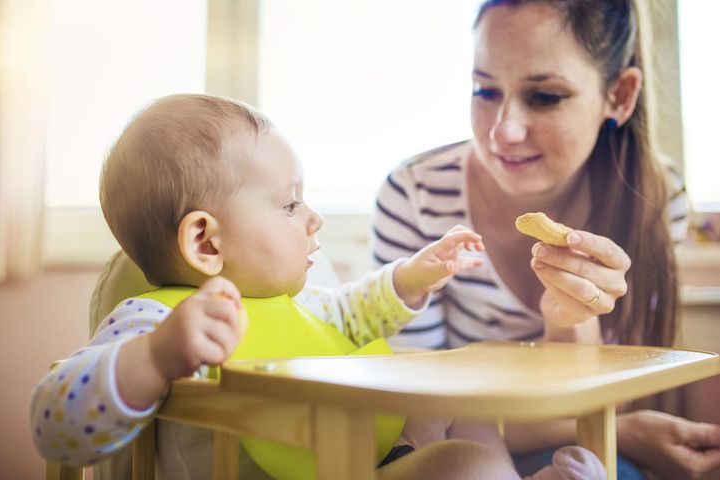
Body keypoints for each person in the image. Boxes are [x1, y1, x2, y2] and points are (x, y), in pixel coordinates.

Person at [30, 94, 606, 480]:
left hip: (363, 457)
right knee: (462, 464)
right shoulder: (154, 323)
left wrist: (415, 274)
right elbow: (55, 424)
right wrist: (154, 359)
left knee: (465, 412)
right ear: (206, 242)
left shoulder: (297, 306)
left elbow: (356, 315)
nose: (313, 218)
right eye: (288, 204)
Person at [371, 0, 720, 479]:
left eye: (546, 97)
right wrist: (624, 430)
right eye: (484, 89)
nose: (504, 131)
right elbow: (419, 412)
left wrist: (575, 319)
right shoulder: (414, 196)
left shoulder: (656, 201)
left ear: (619, 94)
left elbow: (603, 387)